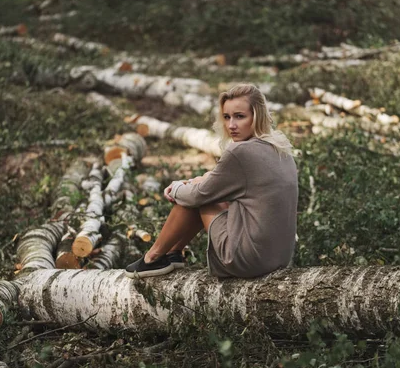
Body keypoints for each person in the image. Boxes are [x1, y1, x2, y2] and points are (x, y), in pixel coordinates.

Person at [125, 83, 298, 278]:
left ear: (257, 116)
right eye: (227, 117)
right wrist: (198, 181)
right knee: (202, 185)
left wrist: (176, 188)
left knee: (197, 195)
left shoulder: (241, 151)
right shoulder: (279, 147)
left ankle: (153, 256)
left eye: (239, 117)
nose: (231, 125)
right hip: (279, 258)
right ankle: (173, 253)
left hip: (249, 260)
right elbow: (217, 183)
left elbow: (199, 196)